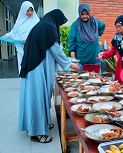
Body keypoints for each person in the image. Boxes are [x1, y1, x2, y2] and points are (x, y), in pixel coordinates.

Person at [18, 9, 80, 143]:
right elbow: (56, 50)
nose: (59, 27)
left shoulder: (43, 25)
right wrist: (70, 64)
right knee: (37, 98)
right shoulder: (48, 27)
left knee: (41, 96)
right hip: (35, 69)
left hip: (34, 66)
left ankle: (42, 123)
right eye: (60, 23)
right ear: (56, 19)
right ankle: (37, 134)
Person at [2, 1, 39, 73]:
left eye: (31, 10)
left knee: (32, 70)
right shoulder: (20, 21)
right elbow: (14, 32)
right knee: (22, 68)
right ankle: (23, 83)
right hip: (21, 49)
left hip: (32, 49)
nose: (30, 12)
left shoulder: (36, 22)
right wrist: (6, 35)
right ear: (23, 10)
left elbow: (39, 34)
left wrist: (29, 40)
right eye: (27, 10)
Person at [68, 3, 105, 70]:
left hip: (95, 60)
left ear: (89, 13)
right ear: (79, 14)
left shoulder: (95, 22)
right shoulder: (75, 24)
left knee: (96, 79)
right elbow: (72, 42)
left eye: (87, 14)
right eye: (82, 14)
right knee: (81, 80)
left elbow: (102, 26)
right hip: (81, 61)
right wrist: (74, 60)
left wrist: (97, 34)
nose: (85, 16)